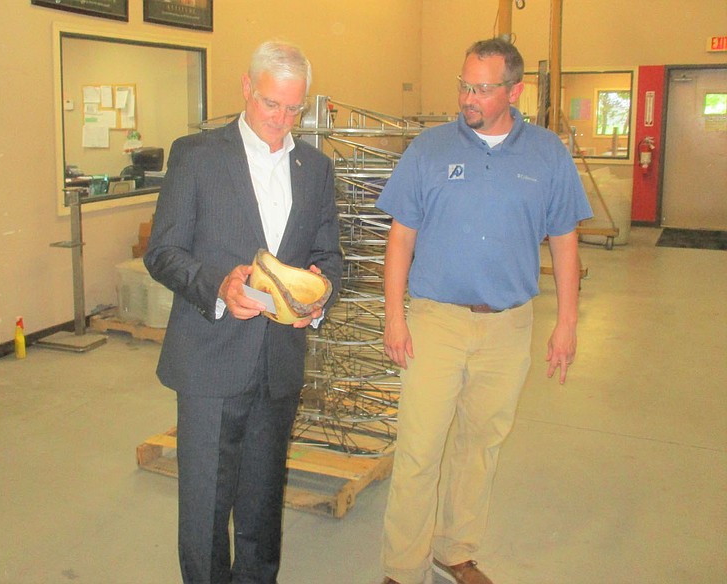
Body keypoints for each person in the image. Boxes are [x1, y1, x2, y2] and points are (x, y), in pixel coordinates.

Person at [376, 38, 592, 584]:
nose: (467, 97)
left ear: (514, 91)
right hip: (435, 320)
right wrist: (394, 315)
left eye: (480, 88)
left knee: (480, 446)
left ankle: (456, 550)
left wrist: (566, 324)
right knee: (420, 449)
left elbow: (564, 241)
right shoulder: (428, 149)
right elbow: (400, 238)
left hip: (508, 326)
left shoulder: (547, 154)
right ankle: (403, 568)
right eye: (463, 84)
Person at [143, 40, 342, 584]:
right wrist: (216, 284)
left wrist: (320, 297)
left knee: (261, 501)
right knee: (206, 503)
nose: (281, 120)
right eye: (270, 104)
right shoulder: (197, 156)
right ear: (246, 88)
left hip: (278, 363)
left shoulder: (315, 168)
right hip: (210, 360)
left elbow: (329, 257)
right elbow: (161, 253)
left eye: (293, 108)